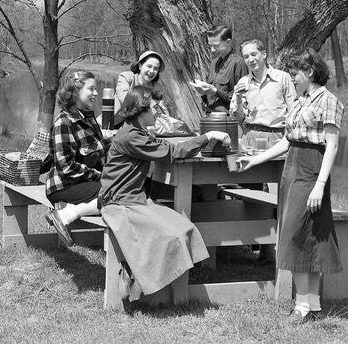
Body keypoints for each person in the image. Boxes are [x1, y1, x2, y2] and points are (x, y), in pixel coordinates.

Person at [237, 48, 343, 324]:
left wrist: (319, 185)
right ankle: (311, 305)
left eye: (295, 73)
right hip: (292, 165)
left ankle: (305, 305)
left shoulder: (328, 101)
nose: (292, 78)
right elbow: (287, 140)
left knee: (306, 233)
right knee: (297, 232)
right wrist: (255, 160)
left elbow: (332, 146)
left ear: (309, 72)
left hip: (312, 168)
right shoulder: (301, 100)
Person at [98, 85, 231, 301]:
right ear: (140, 112)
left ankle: (147, 280)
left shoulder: (136, 132)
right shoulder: (132, 137)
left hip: (135, 199)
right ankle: (144, 281)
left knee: (185, 228)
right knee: (173, 235)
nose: (158, 112)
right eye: (154, 109)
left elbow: (163, 146)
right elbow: (173, 152)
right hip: (120, 204)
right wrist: (208, 136)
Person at [45, 70, 106, 247]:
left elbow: (99, 148)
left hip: (82, 183)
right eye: (91, 89)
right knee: (114, 194)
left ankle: (69, 210)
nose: (96, 93)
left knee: (122, 190)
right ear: (75, 92)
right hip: (63, 185)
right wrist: (101, 177)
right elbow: (66, 167)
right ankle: (66, 215)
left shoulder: (89, 118)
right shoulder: (63, 123)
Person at [232, 39, 296, 153]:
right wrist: (237, 99)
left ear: (264, 54)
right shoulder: (243, 82)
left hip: (277, 138)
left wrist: (288, 138)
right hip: (250, 137)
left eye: (253, 54)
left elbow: (294, 112)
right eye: (246, 57)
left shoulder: (282, 78)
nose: (250, 60)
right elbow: (238, 119)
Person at [115, 50, 188, 134]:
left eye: (156, 68)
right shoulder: (126, 77)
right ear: (140, 66)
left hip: (139, 127)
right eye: (149, 66)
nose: (152, 71)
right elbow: (126, 100)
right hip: (114, 123)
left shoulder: (156, 86)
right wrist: (149, 107)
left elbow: (161, 109)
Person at [192, 26, 248, 113]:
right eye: (210, 46)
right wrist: (203, 92)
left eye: (216, 46)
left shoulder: (239, 63)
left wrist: (216, 92)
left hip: (229, 120)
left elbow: (243, 98)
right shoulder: (214, 62)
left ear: (228, 42)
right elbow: (211, 98)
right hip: (211, 117)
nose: (212, 50)